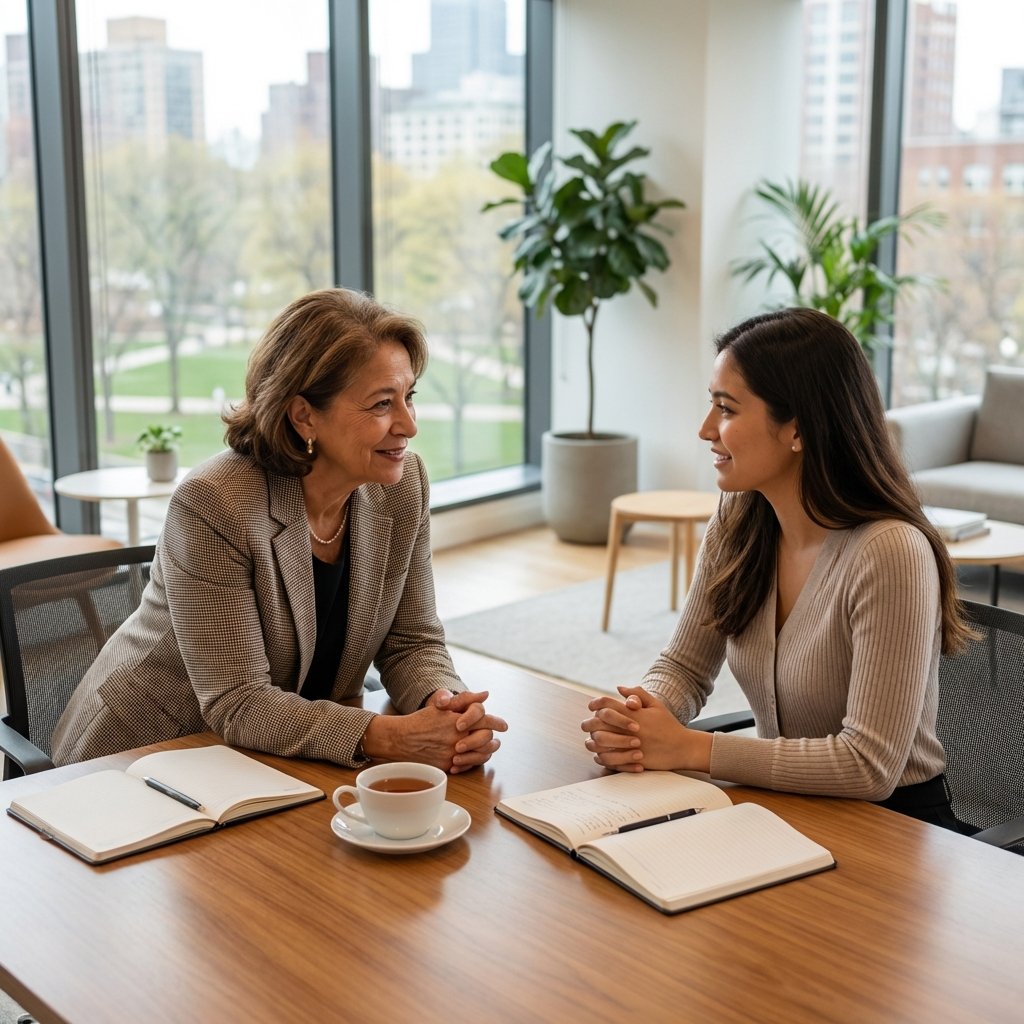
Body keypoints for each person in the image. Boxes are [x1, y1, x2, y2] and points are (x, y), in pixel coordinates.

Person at [53, 288, 507, 772]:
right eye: (381, 405)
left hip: (283, 760)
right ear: (304, 415)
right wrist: (388, 737)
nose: (408, 425)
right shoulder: (214, 503)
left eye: (408, 397)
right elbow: (238, 699)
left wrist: (447, 710)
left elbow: (411, 641)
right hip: (148, 755)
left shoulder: (402, 485)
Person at [580, 307, 973, 831]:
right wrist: (641, 716)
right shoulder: (740, 516)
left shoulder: (890, 552)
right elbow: (685, 666)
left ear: (798, 429)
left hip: (893, 828)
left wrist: (692, 749)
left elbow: (869, 766)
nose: (704, 430)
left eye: (726, 409)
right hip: (786, 808)